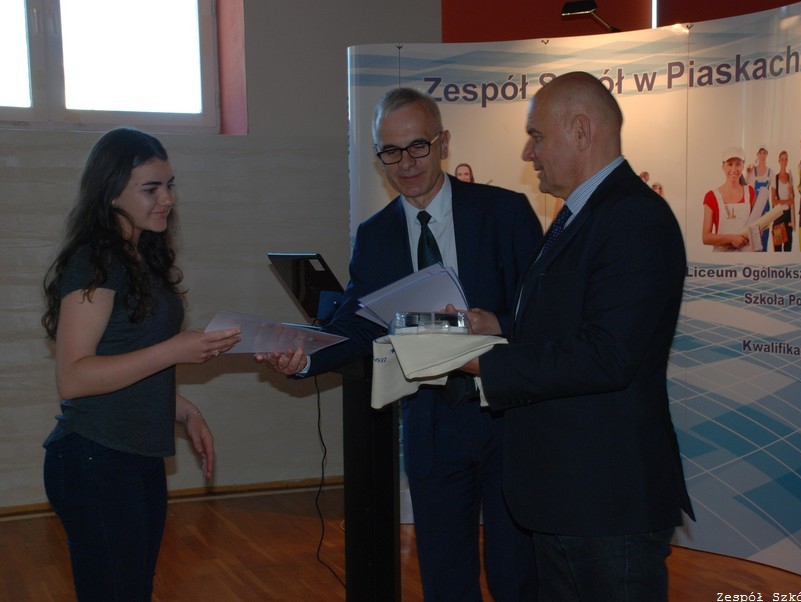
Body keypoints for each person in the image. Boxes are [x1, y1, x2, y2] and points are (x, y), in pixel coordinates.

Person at [258, 88, 542, 601]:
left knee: (516, 575)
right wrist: (303, 357)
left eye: (417, 146)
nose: (406, 163)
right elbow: (359, 325)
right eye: (391, 151)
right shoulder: (376, 235)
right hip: (432, 424)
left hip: (508, 419)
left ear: (444, 143)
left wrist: (494, 322)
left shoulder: (505, 212)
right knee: (444, 578)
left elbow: (546, 314)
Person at [460, 71, 694, 601]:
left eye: (536, 136)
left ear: (582, 131)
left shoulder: (634, 218)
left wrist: (484, 364)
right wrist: (498, 326)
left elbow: (608, 354)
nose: (528, 153)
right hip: (569, 494)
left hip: (605, 501)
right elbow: (575, 320)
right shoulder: (584, 213)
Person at [40, 128, 241, 601]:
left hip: (138, 456)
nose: (167, 199)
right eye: (151, 189)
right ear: (111, 191)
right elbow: (74, 377)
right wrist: (174, 350)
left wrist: (185, 411)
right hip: (95, 458)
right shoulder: (94, 261)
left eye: (170, 185)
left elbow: (126, 361)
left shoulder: (141, 255)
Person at [702, 147, 757, 251]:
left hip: (747, 257)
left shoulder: (750, 192)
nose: (734, 169)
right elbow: (705, 237)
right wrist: (731, 239)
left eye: (738, 164)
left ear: (743, 166)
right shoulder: (711, 196)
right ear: (723, 166)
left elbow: (756, 226)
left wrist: (757, 231)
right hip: (721, 259)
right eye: (730, 164)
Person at [746, 146, 772, 250]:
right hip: (754, 212)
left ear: (767, 154)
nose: (762, 155)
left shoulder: (771, 172)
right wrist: (748, 174)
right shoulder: (752, 171)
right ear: (757, 155)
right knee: (754, 242)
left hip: (766, 211)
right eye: (760, 153)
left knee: (764, 241)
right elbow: (745, 187)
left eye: (764, 153)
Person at [771, 150, 796, 251]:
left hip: (788, 216)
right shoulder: (775, 179)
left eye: (786, 160)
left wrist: (791, 192)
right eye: (782, 159)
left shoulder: (790, 178)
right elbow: (773, 201)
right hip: (778, 216)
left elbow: (793, 199)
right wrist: (787, 202)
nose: (784, 162)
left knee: (788, 246)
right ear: (779, 161)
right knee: (777, 247)